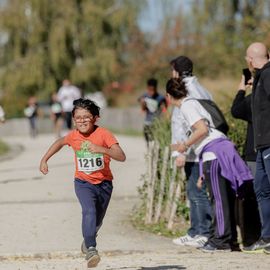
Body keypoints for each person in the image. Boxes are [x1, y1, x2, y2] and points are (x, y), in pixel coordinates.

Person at [167, 78, 253, 252]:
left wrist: (184, 145)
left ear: (168, 96)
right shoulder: (194, 103)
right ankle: (230, 240)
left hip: (214, 153)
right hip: (220, 150)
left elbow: (202, 129)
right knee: (227, 197)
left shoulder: (186, 106)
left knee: (219, 200)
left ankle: (221, 241)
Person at [39, 98, 126, 267]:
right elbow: (60, 142)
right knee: (88, 211)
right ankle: (91, 249)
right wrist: (44, 159)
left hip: (105, 184)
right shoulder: (73, 136)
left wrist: (102, 149)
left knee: (97, 221)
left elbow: (121, 156)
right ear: (73, 119)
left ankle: (88, 239)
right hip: (83, 183)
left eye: (86, 117)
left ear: (95, 118)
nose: (82, 121)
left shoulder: (104, 134)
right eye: (78, 117)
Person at [170, 56, 212, 248]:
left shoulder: (185, 91)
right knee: (194, 191)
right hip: (199, 147)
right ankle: (195, 231)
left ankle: (203, 232)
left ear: (176, 71)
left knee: (197, 191)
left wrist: (181, 152)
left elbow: (184, 124)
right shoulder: (202, 88)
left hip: (193, 149)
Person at [243, 42, 270, 253]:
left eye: (246, 59)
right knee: (261, 188)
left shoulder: (268, 75)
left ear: (251, 59)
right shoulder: (260, 77)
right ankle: (267, 236)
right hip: (261, 145)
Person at [231, 74, 261, 248]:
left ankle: (255, 238)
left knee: (253, 198)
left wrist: (242, 89)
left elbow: (236, 110)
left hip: (254, 154)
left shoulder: (256, 100)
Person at [138, 78, 167, 146]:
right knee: (148, 141)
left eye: (153, 90)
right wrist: (143, 104)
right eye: (149, 90)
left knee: (157, 141)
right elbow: (143, 109)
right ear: (147, 88)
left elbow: (164, 110)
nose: (151, 92)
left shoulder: (160, 98)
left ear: (156, 88)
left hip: (157, 123)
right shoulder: (144, 96)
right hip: (148, 122)